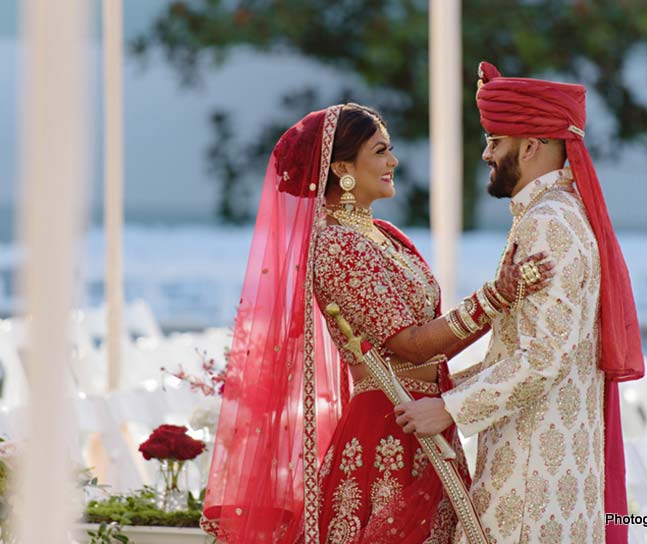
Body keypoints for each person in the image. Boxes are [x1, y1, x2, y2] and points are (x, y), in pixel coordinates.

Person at [200, 102, 553, 544]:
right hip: (386, 429)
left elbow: (431, 338)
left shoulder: (384, 236)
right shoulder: (336, 246)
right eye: (381, 151)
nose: (394, 162)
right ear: (343, 167)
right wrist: (497, 297)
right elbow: (410, 345)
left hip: (422, 417)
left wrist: (498, 306)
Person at [395, 62, 645, 544]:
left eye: (495, 141)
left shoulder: (548, 222)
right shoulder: (558, 213)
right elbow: (524, 353)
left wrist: (448, 407)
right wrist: (440, 389)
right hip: (550, 470)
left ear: (531, 146)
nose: (486, 154)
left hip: (532, 481)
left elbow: (542, 358)